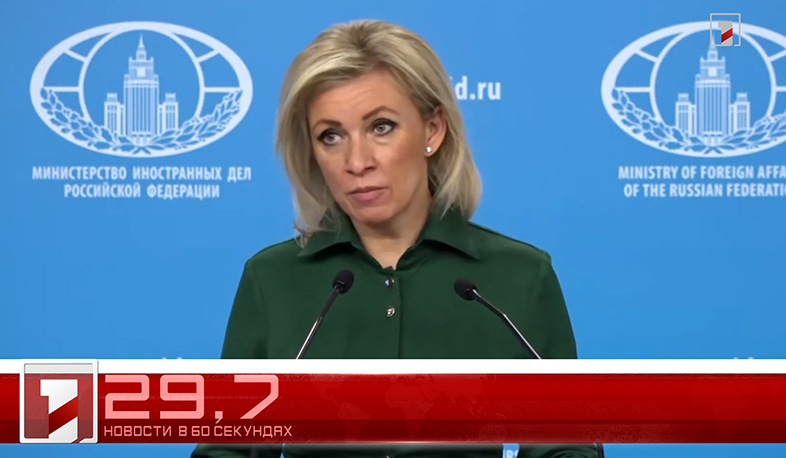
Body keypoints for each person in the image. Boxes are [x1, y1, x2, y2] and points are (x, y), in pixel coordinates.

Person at [192, 19, 599, 458]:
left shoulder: (518, 277)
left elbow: (567, 446)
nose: (357, 161)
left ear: (432, 130)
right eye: (331, 136)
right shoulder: (271, 279)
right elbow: (226, 450)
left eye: (381, 127)